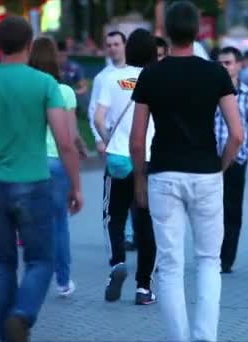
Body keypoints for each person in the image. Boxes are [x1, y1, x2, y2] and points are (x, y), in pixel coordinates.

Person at [0, 16, 83, 341]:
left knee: (0, 265)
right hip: (33, 183)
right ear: (28, 45)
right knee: (41, 260)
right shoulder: (45, 84)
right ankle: (22, 314)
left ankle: (7, 336)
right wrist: (76, 185)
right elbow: (65, 141)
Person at [129, 1, 243, 340]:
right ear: (198, 31)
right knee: (209, 260)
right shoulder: (216, 73)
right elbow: (237, 134)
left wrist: (140, 180)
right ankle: (204, 336)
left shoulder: (151, 74)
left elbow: (137, 140)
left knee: (169, 263)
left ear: (164, 32)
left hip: (163, 174)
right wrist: (220, 167)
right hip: (206, 173)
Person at [93, 28, 158, 306]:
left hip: (119, 158)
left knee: (114, 217)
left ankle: (117, 262)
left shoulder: (112, 78)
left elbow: (98, 117)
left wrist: (110, 140)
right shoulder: (157, 78)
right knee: (146, 223)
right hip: (149, 159)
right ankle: (144, 287)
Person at [28, 36, 86, 297]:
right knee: (59, 222)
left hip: (28, 162)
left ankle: (32, 278)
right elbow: (70, 137)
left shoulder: (24, 90)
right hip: (58, 163)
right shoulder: (64, 92)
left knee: (30, 223)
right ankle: (63, 281)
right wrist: (77, 185)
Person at [215, 46, 248, 274]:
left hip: (236, 161)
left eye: (228, 62)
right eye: (220, 63)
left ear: (239, 65)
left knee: (232, 211)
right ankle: (211, 254)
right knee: (211, 211)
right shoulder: (208, 92)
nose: (224, 67)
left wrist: (246, 153)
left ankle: (226, 259)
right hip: (211, 160)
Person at [88, 31, 126, 155]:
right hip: (112, 139)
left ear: (125, 45)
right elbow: (93, 109)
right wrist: (99, 139)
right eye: (109, 45)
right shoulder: (101, 78)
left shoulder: (137, 72)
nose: (112, 48)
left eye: (116, 44)